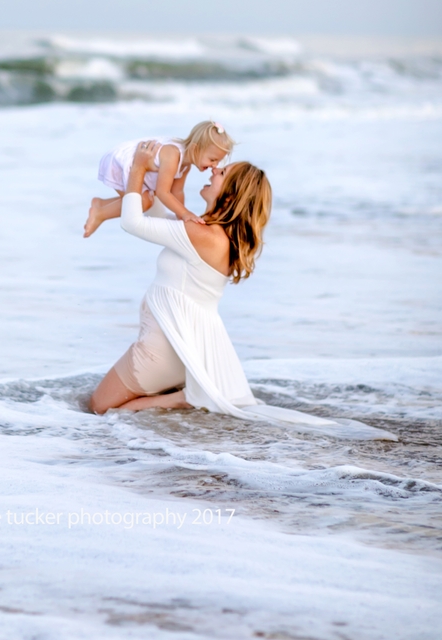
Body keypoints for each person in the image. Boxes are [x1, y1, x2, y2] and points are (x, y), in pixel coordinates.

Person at [89, 141, 398, 441]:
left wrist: (137, 171)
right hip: (184, 352)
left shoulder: (202, 235)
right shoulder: (214, 236)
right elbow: (159, 219)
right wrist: (171, 177)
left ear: (230, 194)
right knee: (118, 406)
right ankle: (180, 394)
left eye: (222, 174)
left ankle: (181, 399)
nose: (214, 171)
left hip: (160, 354)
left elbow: (133, 223)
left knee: (98, 408)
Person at [83, 120, 234, 238]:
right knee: (144, 202)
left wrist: (181, 217)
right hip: (121, 162)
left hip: (134, 163)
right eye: (212, 159)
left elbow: (177, 192)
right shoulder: (173, 155)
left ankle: (101, 204)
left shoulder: (185, 165)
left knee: (146, 200)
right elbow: (163, 192)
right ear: (195, 149)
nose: (215, 166)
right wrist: (186, 213)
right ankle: (100, 213)